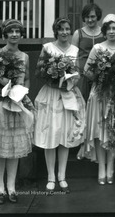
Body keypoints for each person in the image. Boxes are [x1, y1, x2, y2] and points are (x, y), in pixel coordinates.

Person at [0, 19, 34, 204]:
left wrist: (24, 94)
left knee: (14, 148)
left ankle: (12, 187)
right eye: (11, 31)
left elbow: (26, 79)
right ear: (5, 34)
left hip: (16, 104)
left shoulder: (24, 56)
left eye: (18, 31)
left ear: (21, 34)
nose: (14, 35)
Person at [78, 14, 115, 185]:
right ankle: (101, 167)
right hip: (99, 95)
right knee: (99, 132)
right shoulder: (98, 48)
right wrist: (101, 76)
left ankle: (111, 167)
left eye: (114, 28)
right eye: (108, 28)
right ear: (104, 31)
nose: (111, 31)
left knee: (112, 131)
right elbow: (87, 71)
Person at [34, 17, 86, 194]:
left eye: (67, 29)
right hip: (51, 95)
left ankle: (62, 176)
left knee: (64, 135)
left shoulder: (74, 49)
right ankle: (50, 177)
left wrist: (70, 81)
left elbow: (77, 74)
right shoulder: (48, 48)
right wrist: (54, 79)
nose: (64, 32)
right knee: (51, 135)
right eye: (61, 29)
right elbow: (39, 72)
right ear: (56, 31)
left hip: (68, 94)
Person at [72, 3, 105, 101]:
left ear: (97, 16)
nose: (90, 20)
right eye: (87, 17)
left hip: (101, 77)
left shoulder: (104, 33)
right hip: (82, 76)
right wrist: (76, 74)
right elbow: (73, 56)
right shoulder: (78, 33)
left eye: (92, 16)